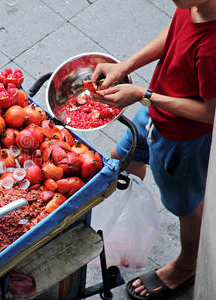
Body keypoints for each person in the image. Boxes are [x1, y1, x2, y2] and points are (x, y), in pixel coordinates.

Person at [90, 0, 216, 299]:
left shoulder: (213, 49)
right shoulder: (194, 5)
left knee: (186, 204)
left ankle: (188, 265)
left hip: (181, 137)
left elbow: (210, 112)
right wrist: (126, 65)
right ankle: (123, 219)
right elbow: (176, 30)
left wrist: (143, 95)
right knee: (123, 158)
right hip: (154, 112)